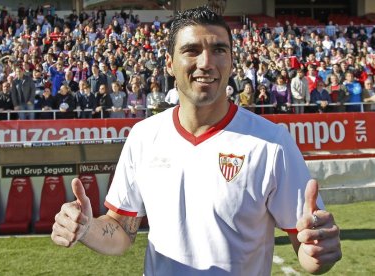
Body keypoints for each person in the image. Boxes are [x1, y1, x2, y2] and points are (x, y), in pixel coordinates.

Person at [51, 7, 341, 275]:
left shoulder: (272, 142)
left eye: (219, 50)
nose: (206, 63)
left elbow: (305, 245)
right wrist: (87, 228)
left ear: (230, 60)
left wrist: (317, 252)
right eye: (191, 50)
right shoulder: (144, 136)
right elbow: (121, 230)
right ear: (169, 63)